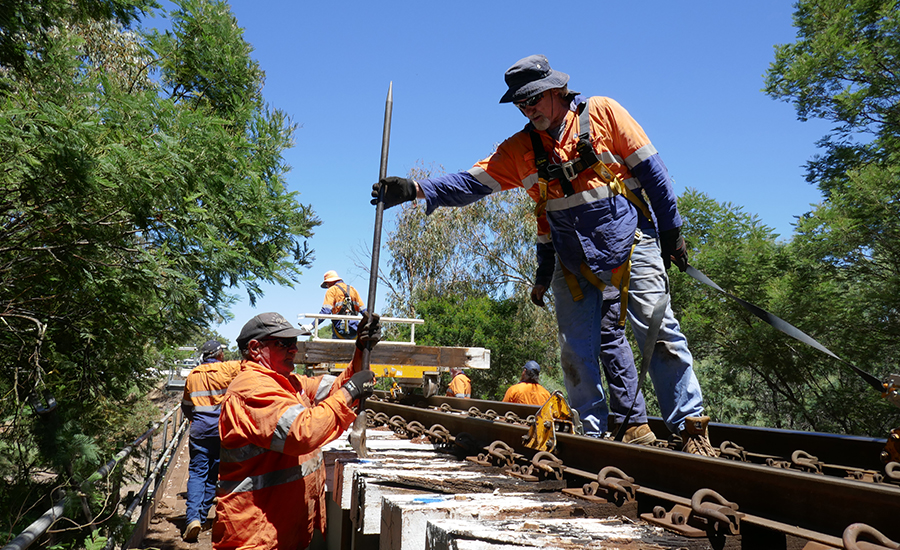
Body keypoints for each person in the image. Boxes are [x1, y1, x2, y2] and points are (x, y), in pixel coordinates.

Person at [374, 54, 714, 456]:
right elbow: (472, 182)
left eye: (533, 97)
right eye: (520, 102)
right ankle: (593, 433)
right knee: (575, 351)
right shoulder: (519, 150)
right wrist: (416, 189)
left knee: (659, 334)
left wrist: (672, 232)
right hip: (572, 262)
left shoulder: (605, 113)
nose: (527, 107)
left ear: (557, 89)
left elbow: (654, 174)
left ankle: (690, 426)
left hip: (631, 244)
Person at [212, 311, 380, 550]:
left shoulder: (290, 383)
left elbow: (337, 390)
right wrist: (351, 391)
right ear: (255, 348)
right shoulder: (251, 389)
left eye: (295, 343)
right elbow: (303, 433)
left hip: (283, 528)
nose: (294, 350)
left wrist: (361, 348)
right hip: (257, 534)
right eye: (285, 344)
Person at [181, 340, 241, 542]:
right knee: (213, 474)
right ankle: (203, 516)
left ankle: (193, 519)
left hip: (199, 431)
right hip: (222, 430)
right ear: (220, 354)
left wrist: (195, 419)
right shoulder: (228, 369)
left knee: (197, 473)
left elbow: (186, 406)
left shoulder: (193, 375)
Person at [319, 270, 367, 339]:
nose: (327, 286)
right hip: (354, 331)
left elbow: (326, 311)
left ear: (329, 282)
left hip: (339, 331)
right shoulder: (353, 290)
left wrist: (311, 325)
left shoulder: (332, 290)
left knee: (337, 348)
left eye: (327, 284)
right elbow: (364, 311)